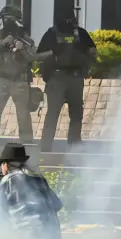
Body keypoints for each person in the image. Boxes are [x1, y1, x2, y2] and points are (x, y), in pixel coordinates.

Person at [0, 5, 45, 147]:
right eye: (5, 18)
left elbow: (33, 56)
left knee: (23, 115)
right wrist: (3, 42)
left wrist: (21, 48)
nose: (7, 21)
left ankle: (27, 144)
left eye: (11, 19)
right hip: (0, 79)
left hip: (19, 80)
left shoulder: (25, 38)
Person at [37, 10, 97, 152]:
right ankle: (62, 146)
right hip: (62, 78)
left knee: (71, 114)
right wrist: (53, 53)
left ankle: (66, 146)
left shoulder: (78, 33)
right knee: (59, 114)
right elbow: (39, 55)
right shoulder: (56, 33)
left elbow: (92, 53)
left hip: (68, 78)